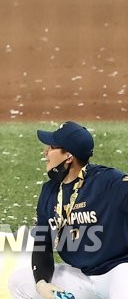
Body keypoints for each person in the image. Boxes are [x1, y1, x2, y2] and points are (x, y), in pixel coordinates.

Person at [8, 122, 128, 299]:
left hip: (117, 272)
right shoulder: (49, 192)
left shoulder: (108, 182)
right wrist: (42, 284)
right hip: (81, 276)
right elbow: (43, 245)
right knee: (19, 281)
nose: (45, 152)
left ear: (69, 156)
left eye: (52, 147)